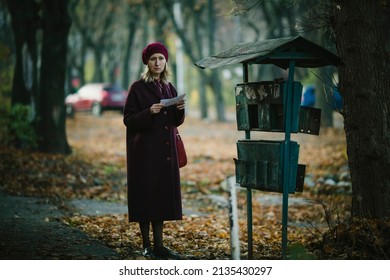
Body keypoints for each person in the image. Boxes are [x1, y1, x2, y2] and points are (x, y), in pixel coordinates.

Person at [123, 42, 185, 259]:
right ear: (147, 63)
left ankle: (159, 246)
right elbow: (128, 120)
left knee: (160, 200)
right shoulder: (137, 88)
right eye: (153, 59)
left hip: (165, 154)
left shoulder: (169, 87)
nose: (157, 63)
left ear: (165, 61)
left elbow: (176, 122)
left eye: (160, 58)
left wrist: (180, 109)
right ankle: (147, 245)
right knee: (145, 199)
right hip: (144, 154)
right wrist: (148, 112)